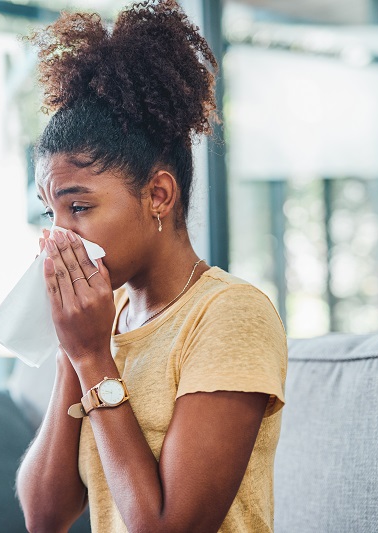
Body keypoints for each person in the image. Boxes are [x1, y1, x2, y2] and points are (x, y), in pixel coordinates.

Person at [15, 1, 287, 532]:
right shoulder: (103, 317)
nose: (59, 235)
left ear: (158, 194)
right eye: (51, 212)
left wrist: (94, 357)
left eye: (81, 207)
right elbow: (44, 516)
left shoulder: (229, 315)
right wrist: (73, 354)